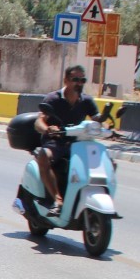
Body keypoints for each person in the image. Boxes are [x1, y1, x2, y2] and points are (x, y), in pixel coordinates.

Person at [34, 65, 112, 216]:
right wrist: (48, 129)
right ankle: (57, 200)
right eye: (75, 79)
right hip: (57, 142)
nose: (79, 83)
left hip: (79, 143)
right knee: (44, 156)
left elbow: (96, 118)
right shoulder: (53, 99)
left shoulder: (86, 101)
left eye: (82, 80)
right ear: (66, 80)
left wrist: (107, 126)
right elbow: (39, 121)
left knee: (108, 161)